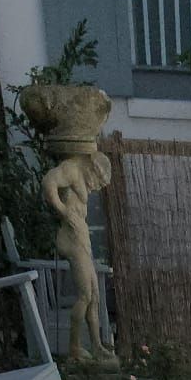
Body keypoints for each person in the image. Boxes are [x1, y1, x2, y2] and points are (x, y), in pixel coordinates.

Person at [41, 147, 117, 364]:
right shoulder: (72, 169)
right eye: (98, 182)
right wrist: (63, 211)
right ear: (92, 168)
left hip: (82, 241)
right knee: (85, 295)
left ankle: (96, 345)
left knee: (95, 297)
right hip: (72, 241)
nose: (96, 187)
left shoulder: (81, 177)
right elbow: (48, 182)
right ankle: (74, 347)